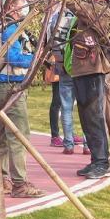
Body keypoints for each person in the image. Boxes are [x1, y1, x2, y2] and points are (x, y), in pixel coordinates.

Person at [66, 0, 110, 180]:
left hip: (94, 71)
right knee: (86, 118)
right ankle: (96, 160)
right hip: (82, 70)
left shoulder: (101, 11)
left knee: (95, 117)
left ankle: (101, 162)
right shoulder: (93, 5)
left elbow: (73, 1)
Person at [0, 0, 36, 200]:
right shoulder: (10, 29)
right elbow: (13, 57)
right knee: (17, 134)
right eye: (19, 1)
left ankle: (3, 179)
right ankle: (19, 183)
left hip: (0, 86)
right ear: (11, 5)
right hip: (10, 85)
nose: (23, 5)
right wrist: (35, 58)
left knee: (1, 136)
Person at [43, 11, 78, 152]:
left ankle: (68, 143)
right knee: (85, 107)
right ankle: (88, 144)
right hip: (79, 68)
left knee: (66, 107)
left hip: (62, 66)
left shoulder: (55, 17)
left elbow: (48, 42)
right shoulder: (79, 17)